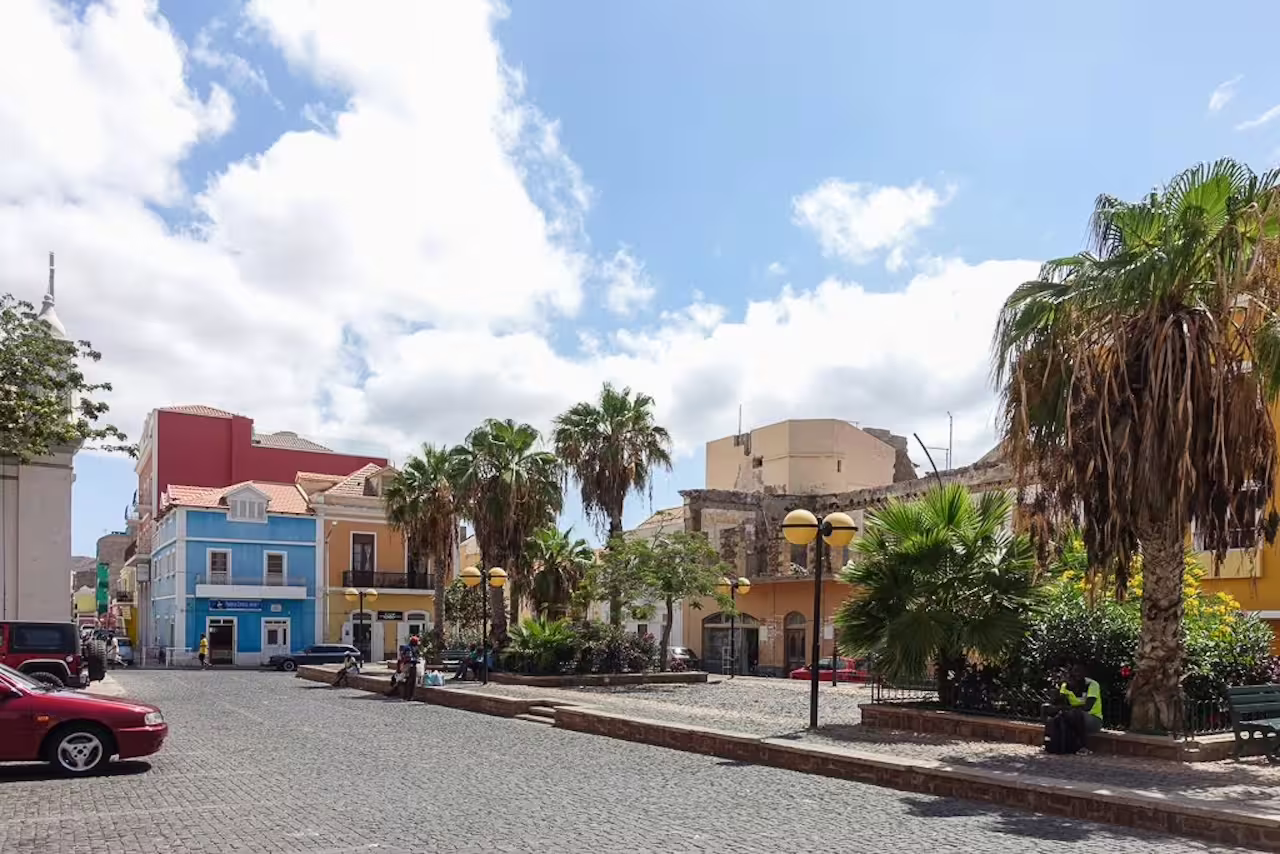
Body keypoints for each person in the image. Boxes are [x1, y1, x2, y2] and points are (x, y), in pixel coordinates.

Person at [1048, 663, 1103, 755]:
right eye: (1074, 674)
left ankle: (1083, 746)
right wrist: (1057, 693)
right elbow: (1059, 703)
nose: (1077, 676)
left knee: (1076, 714)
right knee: (1057, 715)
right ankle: (1055, 744)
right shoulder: (1065, 686)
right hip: (1073, 717)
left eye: (1079, 673)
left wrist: (1067, 708)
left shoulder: (1092, 685)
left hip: (1093, 719)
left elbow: (1087, 707)